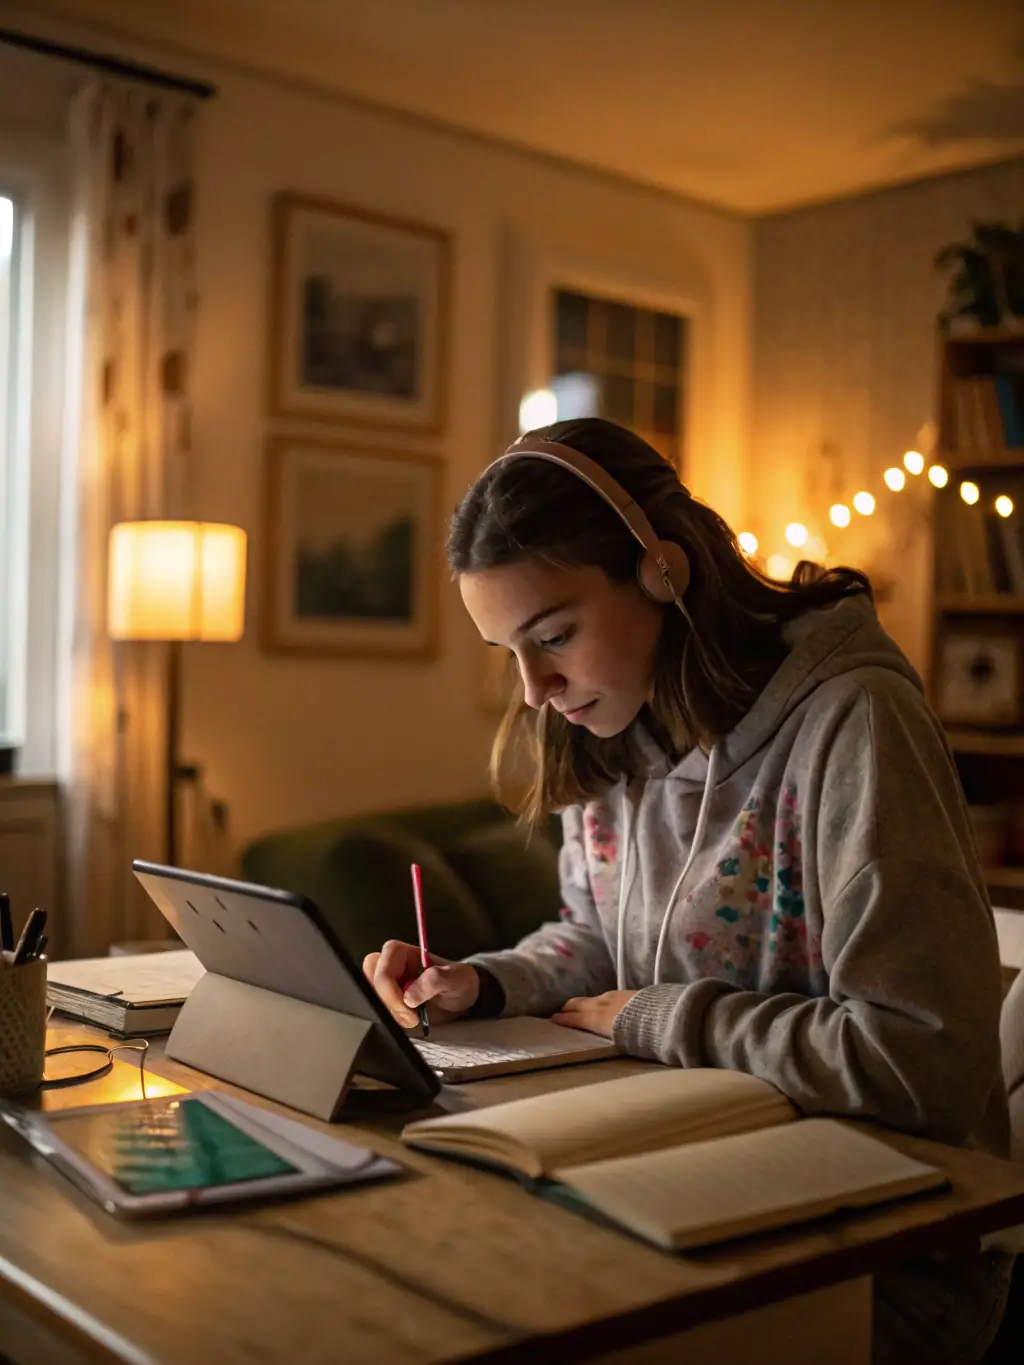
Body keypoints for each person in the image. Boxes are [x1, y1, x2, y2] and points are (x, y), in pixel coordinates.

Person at [363, 417, 1012, 1364]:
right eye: (510, 652)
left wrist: (660, 1019)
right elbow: (593, 936)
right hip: (689, 1177)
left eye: (553, 636)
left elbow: (923, 1061)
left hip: (889, 1253)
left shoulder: (854, 726)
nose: (537, 688)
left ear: (663, 571)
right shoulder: (611, 729)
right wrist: (486, 982)